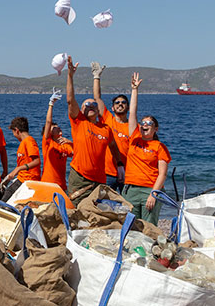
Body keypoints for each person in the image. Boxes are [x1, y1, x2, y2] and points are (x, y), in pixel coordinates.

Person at [65, 56, 125, 201]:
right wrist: (70, 76)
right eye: (86, 105)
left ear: (98, 110)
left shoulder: (105, 129)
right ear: (82, 110)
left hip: (99, 180)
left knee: (95, 215)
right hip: (80, 178)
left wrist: (119, 164)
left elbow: (113, 146)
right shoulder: (79, 121)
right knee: (77, 213)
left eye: (94, 105)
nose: (91, 106)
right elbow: (70, 100)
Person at [121, 73, 171, 224]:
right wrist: (134, 90)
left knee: (149, 226)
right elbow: (132, 113)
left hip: (149, 190)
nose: (144, 125)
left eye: (149, 123)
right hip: (130, 190)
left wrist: (153, 194)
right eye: (143, 123)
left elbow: (162, 174)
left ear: (156, 128)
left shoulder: (159, 147)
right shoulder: (134, 139)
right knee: (131, 225)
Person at [92, 61, 130, 191]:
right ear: (113, 107)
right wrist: (97, 77)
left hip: (127, 173)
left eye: (123, 102)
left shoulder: (132, 127)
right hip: (107, 173)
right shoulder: (108, 118)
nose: (120, 104)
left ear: (128, 107)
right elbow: (97, 98)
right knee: (105, 207)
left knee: (126, 208)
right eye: (117, 102)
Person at [41, 90, 74, 192]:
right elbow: (48, 121)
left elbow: (77, 154)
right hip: (48, 183)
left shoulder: (65, 144)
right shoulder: (48, 143)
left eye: (58, 127)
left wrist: (72, 143)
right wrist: (51, 104)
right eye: (54, 128)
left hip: (61, 185)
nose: (58, 128)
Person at [3, 116, 41, 186]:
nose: (14, 135)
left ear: (17, 130)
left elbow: (37, 161)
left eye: (13, 133)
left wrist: (18, 168)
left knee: (6, 196)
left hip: (29, 180)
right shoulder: (23, 142)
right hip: (22, 178)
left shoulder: (29, 141)